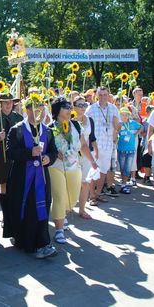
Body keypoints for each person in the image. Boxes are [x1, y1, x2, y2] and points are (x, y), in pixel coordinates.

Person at [4, 97, 58, 258]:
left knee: (42, 207)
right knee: (25, 207)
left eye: (41, 109)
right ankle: (24, 240)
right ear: (27, 110)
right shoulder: (17, 129)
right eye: (36, 109)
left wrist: (49, 158)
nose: (39, 113)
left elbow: (53, 151)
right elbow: (10, 152)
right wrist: (29, 153)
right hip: (22, 177)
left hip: (41, 176)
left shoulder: (47, 131)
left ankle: (42, 243)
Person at [49, 97, 94, 244]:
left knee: (72, 198)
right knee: (59, 196)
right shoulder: (50, 128)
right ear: (57, 110)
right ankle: (59, 230)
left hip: (74, 166)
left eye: (70, 107)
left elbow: (83, 145)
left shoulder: (76, 125)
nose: (69, 110)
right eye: (65, 107)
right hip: (55, 167)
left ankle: (62, 214)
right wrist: (54, 153)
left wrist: (93, 162)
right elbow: (46, 148)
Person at [0, 92, 23, 226]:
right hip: (2, 157)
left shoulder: (19, 118)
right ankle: (6, 216)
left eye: (10, 102)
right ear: (0, 104)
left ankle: (16, 214)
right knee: (4, 187)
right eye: (5, 102)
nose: (8, 104)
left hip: (17, 157)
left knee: (17, 186)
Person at [85, 87, 120, 202]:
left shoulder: (113, 108)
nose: (103, 97)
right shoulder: (91, 109)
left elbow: (118, 127)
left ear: (108, 95)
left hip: (108, 144)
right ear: (97, 96)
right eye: (100, 95)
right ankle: (91, 196)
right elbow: (85, 125)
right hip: (95, 145)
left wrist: (116, 124)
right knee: (94, 170)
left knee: (104, 171)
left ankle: (98, 194)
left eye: (105, 94)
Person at [73, 97, 99, 213]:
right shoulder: (70, 120)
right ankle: (69, 205)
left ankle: (82, 209)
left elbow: (92, 137)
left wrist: (96, 152)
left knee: (85, 181)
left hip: (87, 153)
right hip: (73, 154)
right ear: (74, 106)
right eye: (80, 105)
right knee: (74, 181)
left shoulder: (89, 120)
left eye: (84, 105)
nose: (83, 108)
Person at [117, 107, 142, 194]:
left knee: (127, 168)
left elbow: (141, 126)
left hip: (131, 150)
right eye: (122, 115)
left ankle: (124, 184)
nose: (124, 116)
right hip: (121, 149)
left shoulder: (133, 123)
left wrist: (136, 134)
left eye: (126, 115)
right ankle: (123, 182)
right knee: (122, 168)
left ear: (128, 116)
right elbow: (115, 133)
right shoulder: (119, 124)